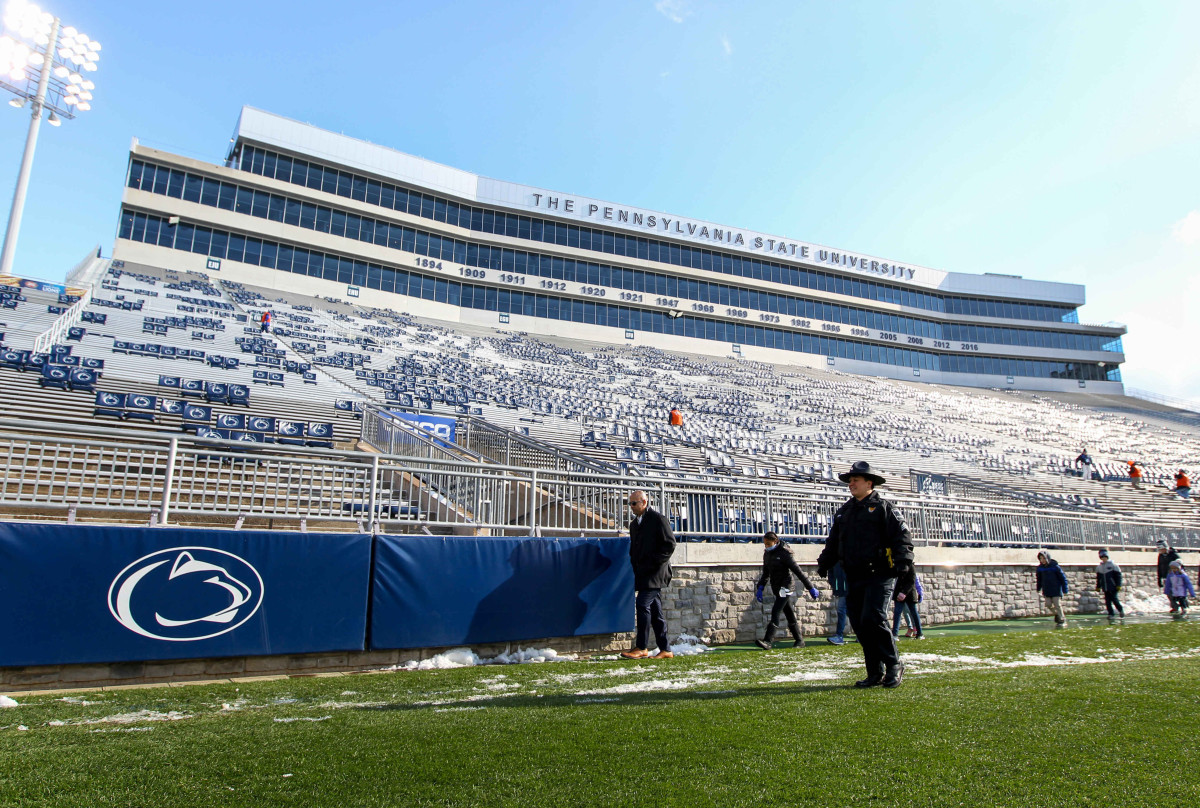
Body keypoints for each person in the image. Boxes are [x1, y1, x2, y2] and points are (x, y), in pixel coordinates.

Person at [817, 461, 914, 689]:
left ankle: (894, 665)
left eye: (855, 480)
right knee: (860, 624)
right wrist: (824, 562)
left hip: (879, 574)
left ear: (869, 483)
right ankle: (874, 672)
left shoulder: (883, 508)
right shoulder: (845, 511)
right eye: (850, 481)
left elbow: (902, 537)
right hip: (855, 575)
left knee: (874, 617)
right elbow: (834, 542)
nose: (851, 484)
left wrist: (903, 562)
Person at [621, 489, 677, 660]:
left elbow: (669, 544)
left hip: (655, 573)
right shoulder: (634, 524)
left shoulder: (658, 519)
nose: (631, 506)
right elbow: (635, 548)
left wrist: (654, 563)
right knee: (655, 611)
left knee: (642, 604)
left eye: (634, 503)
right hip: (642, 572)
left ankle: (642, 646)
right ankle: (665, 649)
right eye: (629, 503)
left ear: (644, 502)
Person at [754, 531, 819, 649]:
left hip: (786, 586)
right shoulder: (767, 554)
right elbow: (766, 573)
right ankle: (799, 640)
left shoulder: (784, 553)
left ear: (776, 541)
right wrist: (761, 586)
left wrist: (810, 587)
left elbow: (798, 571)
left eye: (768, 544)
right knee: (789, 613)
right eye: (765, 544)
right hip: (776, 586)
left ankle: (768, 641)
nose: (767, 546)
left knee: (776, 611)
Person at [1035, 551, 1069, 626]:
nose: (1042, 560)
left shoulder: (1055, 566)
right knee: (1048, 604)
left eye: (1044, 558)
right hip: (1047, 590)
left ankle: (1062, 620)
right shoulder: (1040, 568)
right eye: (1041, 558)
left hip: (1056, 589)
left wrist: (1065, 589)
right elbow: (1039, 579)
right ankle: (1057, 614)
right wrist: (1038, 588)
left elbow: (1063, 578)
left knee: (1057, 604)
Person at [892, 571, 924, 639]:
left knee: (912, 612)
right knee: (899, 612)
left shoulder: (910, 567)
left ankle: (919, 632)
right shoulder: (898, 567)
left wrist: (920, 593)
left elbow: (915, 582)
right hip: (899, 593)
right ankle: (895, 634)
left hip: (909, 594)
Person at [1095, 549, 1124, 618]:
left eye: (1105, 557)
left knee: (1114, 599)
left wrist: (1118, 585)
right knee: (1107, 601)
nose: (1103, 559)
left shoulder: (1113, 565)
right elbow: (1099, 578)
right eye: (1102, 557)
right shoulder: (1099, 567)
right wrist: (1098, 586)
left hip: (1113, 586)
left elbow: (1118, 576)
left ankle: (1120, 610)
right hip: (1105, 587)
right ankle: (1111, 614)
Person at [827, 561, 850, 645]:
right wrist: (834, 584)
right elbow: (830, 571)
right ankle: (839, 635)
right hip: (841, 589)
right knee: (846, 611)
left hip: (849, 588)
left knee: (842, 610)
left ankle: (839, 635)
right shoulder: (836, 557)